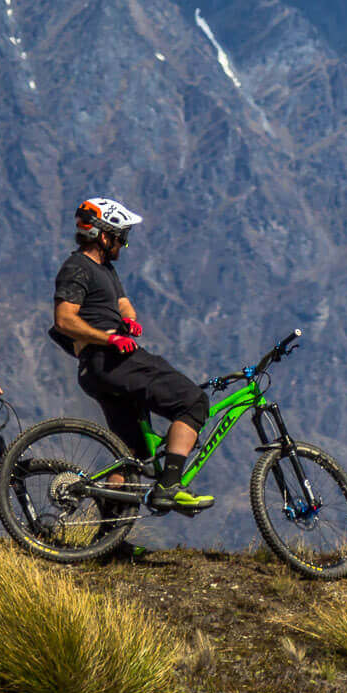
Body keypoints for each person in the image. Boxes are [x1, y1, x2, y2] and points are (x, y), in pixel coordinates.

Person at [50, 197, 213, 513]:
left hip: (101, 368)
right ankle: (170, 485)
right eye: (120, 236)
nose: (123, 244)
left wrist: (130, 320)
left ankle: (109, 531)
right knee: (193, 401)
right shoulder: (77, 267)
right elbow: (64, 320)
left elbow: (122, 303)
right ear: (103, 235)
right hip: (111, 361)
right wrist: (109, 338)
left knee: (131, 454)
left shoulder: (104, 269)